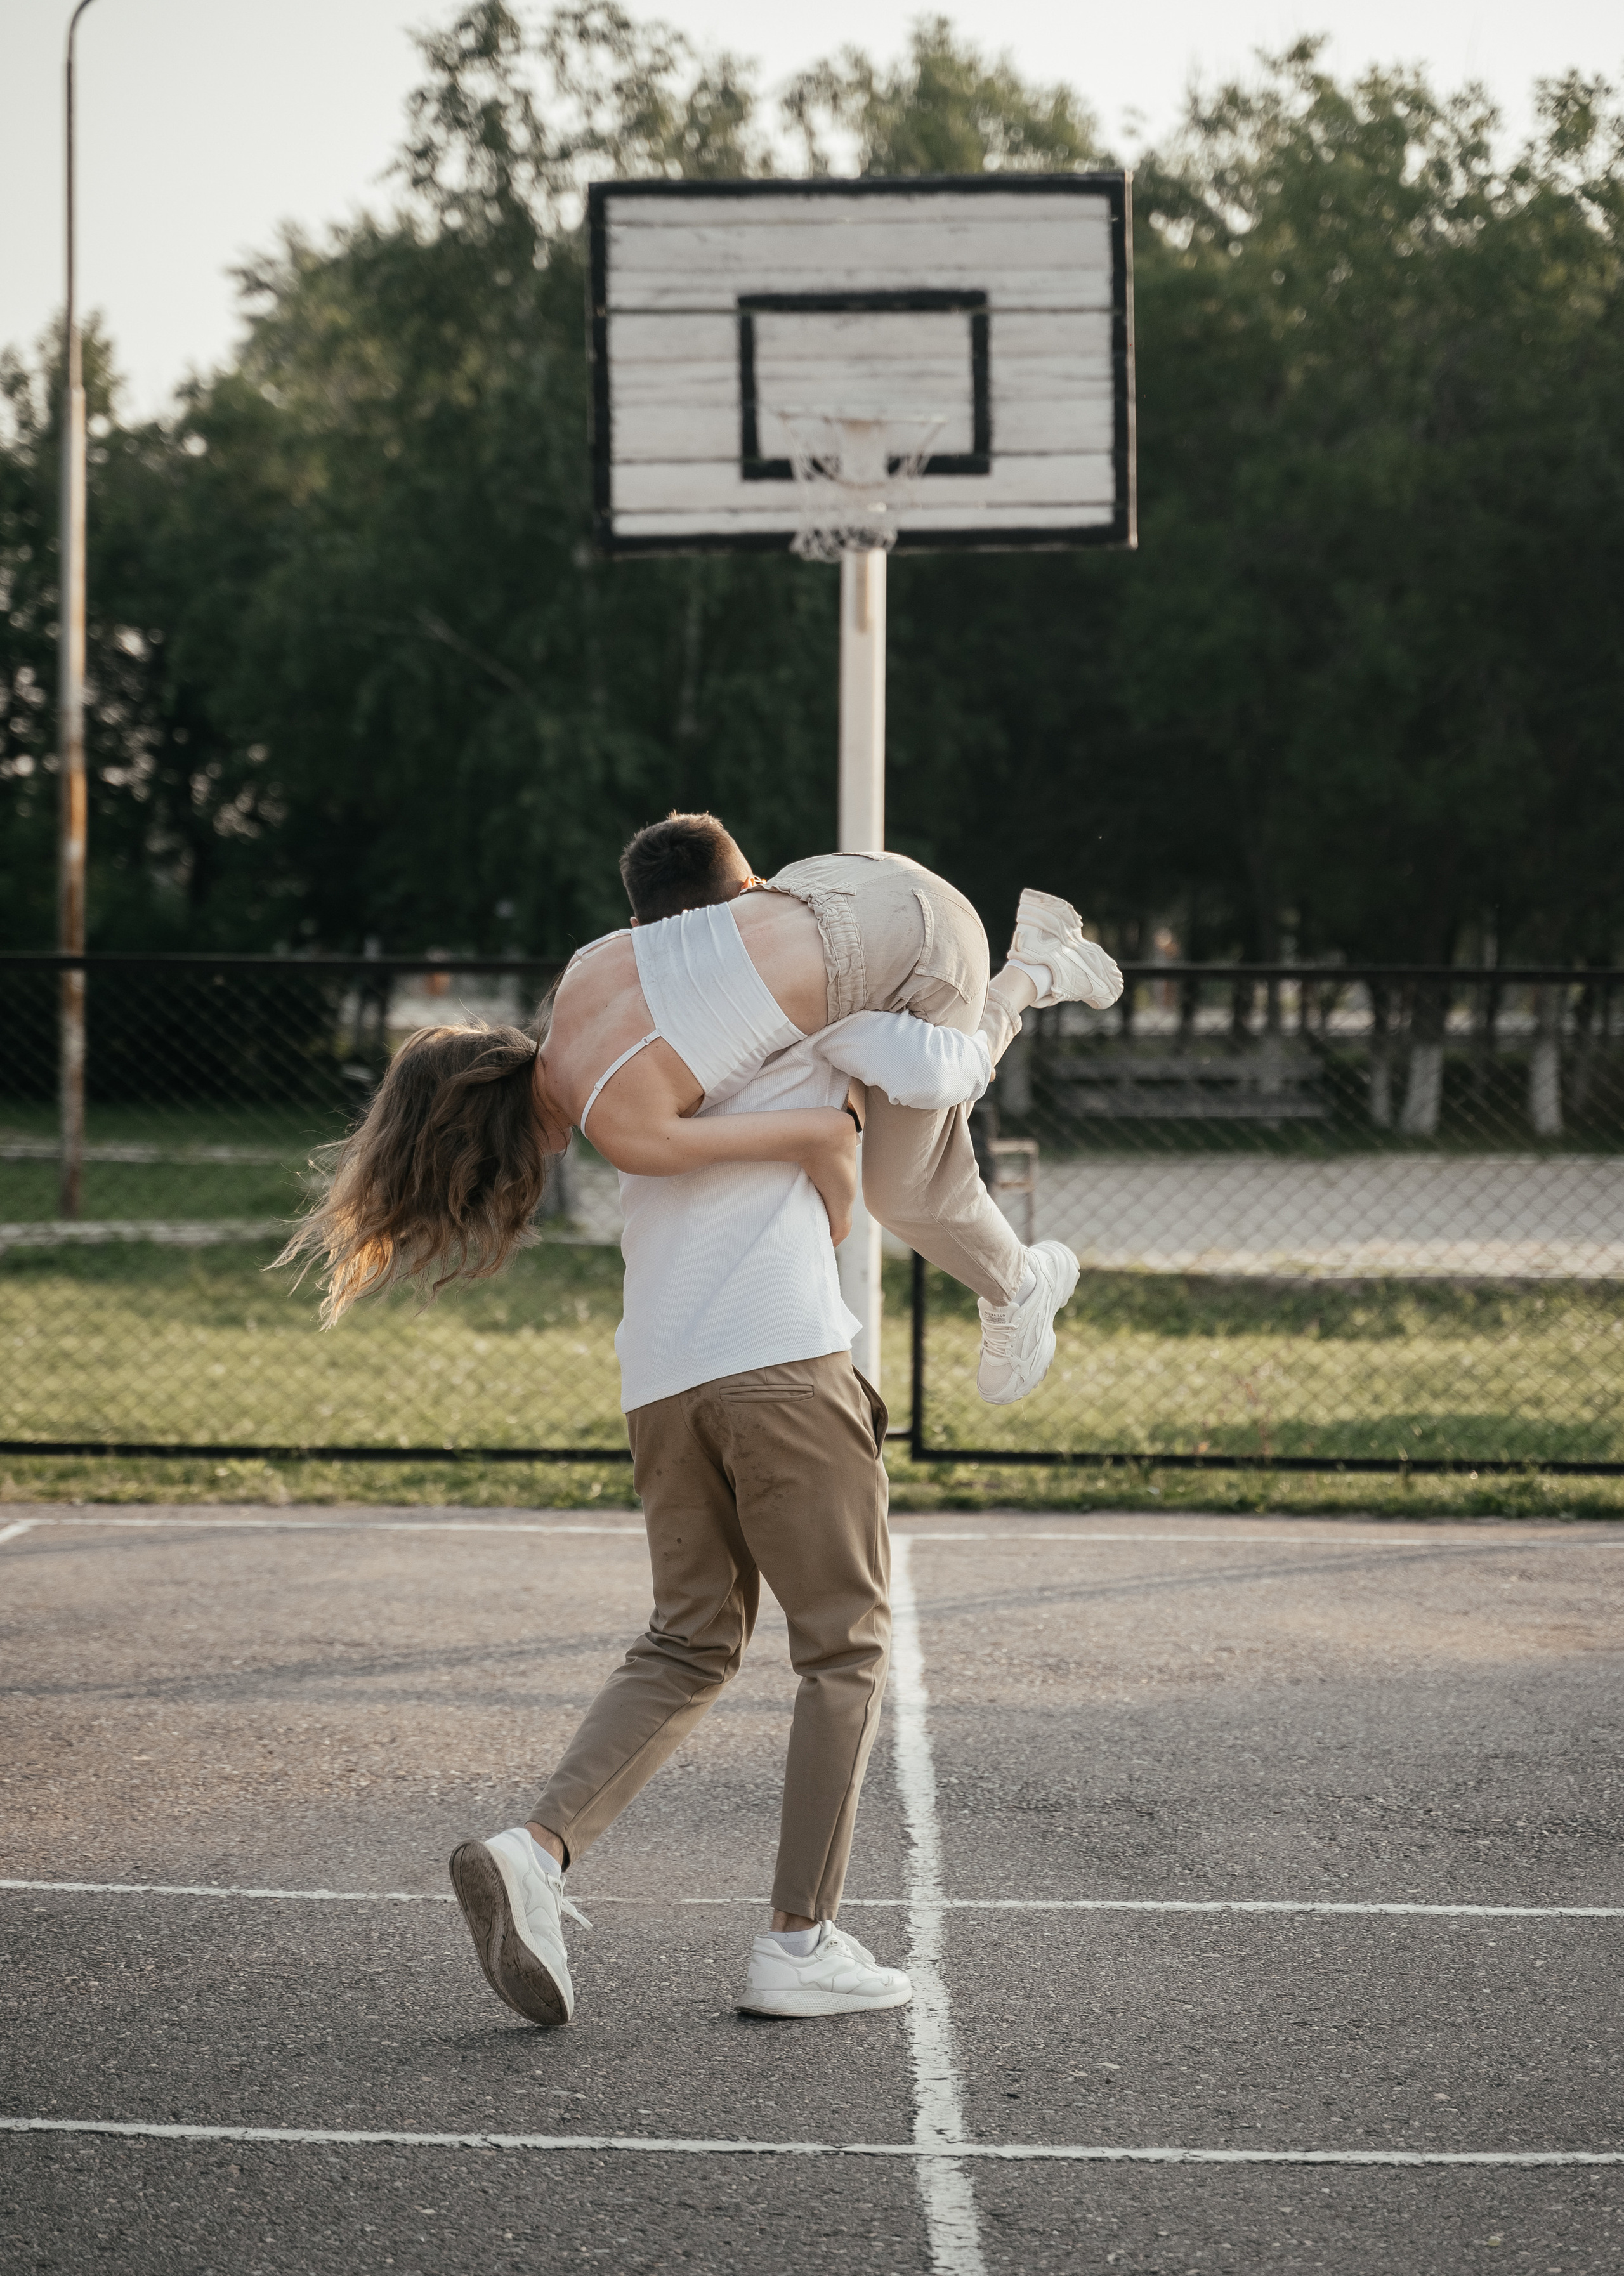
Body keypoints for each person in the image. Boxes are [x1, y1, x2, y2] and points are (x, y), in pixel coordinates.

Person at [449, 979, 965, 2026]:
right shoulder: (790, 1001)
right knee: (843, 1650)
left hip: (662, 1383)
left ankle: (536, 1849)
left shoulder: (623, 1061)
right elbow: (868, 1161)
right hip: (780, 1368)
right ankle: (798, 1944)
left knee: (687, 1641)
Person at [280, 815, 1121, 1406]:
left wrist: (829, 1220)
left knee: (907, 1186)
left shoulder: (625, 1132)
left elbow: (828, 1134)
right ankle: (1034, 970)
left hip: (922, 949)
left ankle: (1021, 1283)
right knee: (850, 1048)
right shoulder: (581, 975)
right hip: (843, 874)